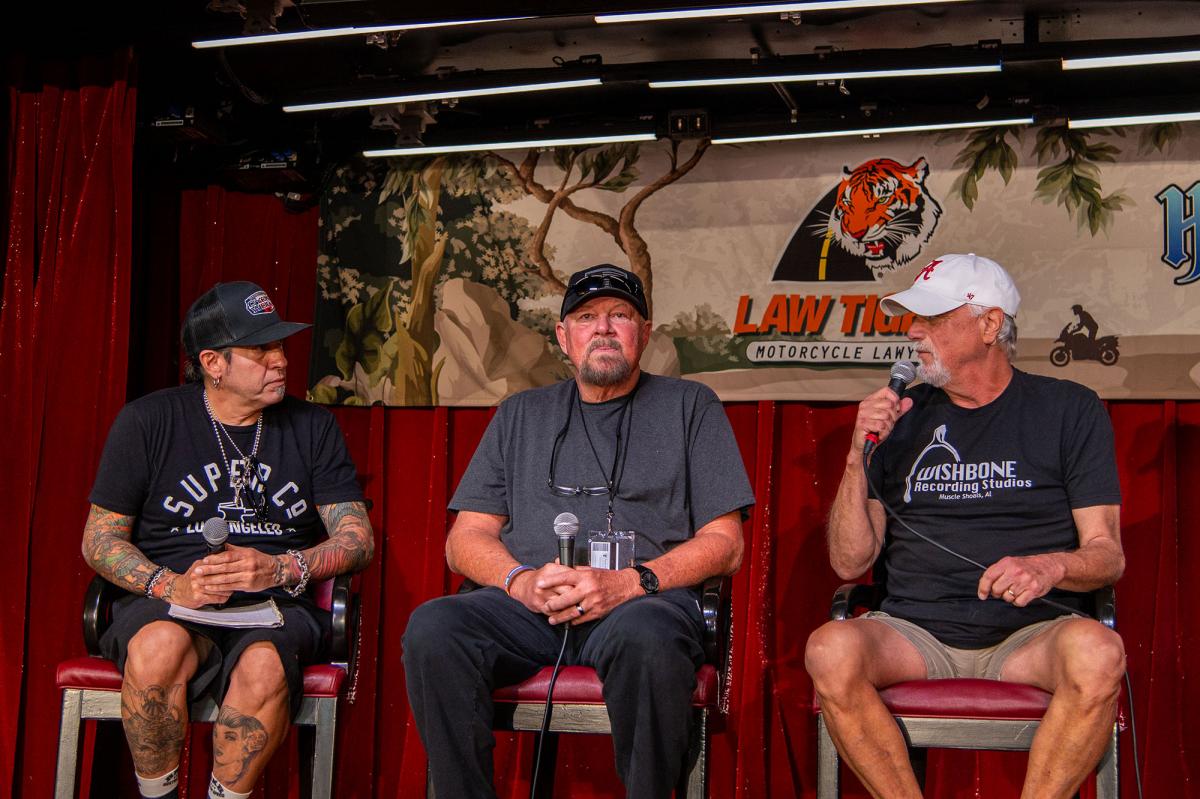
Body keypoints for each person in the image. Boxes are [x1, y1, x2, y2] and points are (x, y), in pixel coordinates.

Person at [403, 263, 755, 798]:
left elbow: (726, 545)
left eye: (621, 315)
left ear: (644, 332)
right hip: (530, 608)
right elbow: (465, 538)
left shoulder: (690, 406)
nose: (604, 328)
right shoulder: (520, 414)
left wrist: (631, 582)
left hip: (639, 604)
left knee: (650, 639)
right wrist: (519, 581)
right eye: (587, 317)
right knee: (434, 627)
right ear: (563, 337)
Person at [805, 253, 1125, 797]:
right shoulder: (902, 416)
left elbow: (1107, 555)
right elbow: (850, 561)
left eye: (931, 318)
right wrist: (858, 454)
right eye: (914, 319)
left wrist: (1048, 567)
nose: (913, 332)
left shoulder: (1069, 409)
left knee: (1100, 653)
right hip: (915, 633)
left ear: (990, 324)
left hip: (1031, 637)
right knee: (828, 649)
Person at [82, 281, 374, 799]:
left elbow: (357, 538)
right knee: (157, 649)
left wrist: (282, 568)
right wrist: (169, 585)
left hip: (274, 605)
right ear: (213, 363)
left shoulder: (313, 426)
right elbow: (99, 540)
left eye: (280, 346)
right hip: (169, 598)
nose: (281, 360)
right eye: (261, 350)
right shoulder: (148, 421)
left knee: (263, 667)